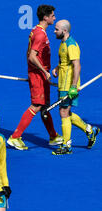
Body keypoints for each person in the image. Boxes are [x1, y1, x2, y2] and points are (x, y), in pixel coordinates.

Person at [7, 5, 63, 150]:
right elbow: (32, 56)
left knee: (45, 106)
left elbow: (28, 54)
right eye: (52, 16)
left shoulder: (36, 31)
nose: (54, 18)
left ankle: (53, 136)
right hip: (38, 75)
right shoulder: (40, 35)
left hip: (39, 74)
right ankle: (15, 137)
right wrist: (43, 72)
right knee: (37, 105)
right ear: (46, 17)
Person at [50, 20, 99, 155]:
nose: (54, 31)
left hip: (69, 85)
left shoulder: (71, 45)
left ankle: (66, 145)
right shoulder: (63, 43)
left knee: (63, 112)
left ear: (64, 31)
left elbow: (77, 66)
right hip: (62, 83)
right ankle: (90, 130)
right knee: (66, 113)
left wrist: (73, 86)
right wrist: (57, 69)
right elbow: (64, 62)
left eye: (56, 29)